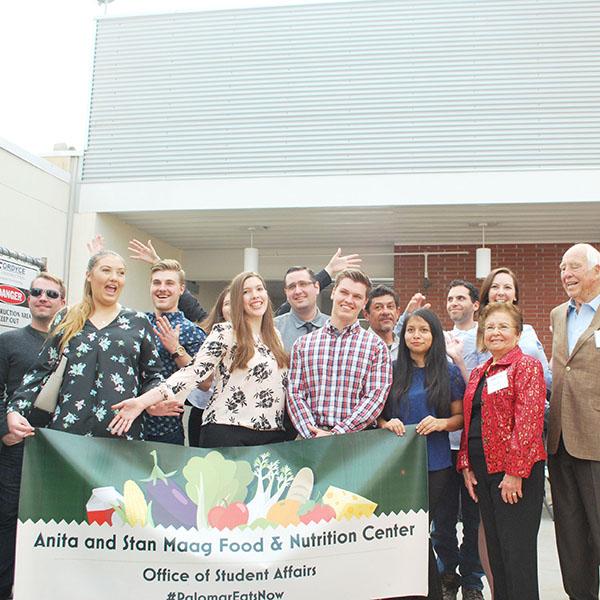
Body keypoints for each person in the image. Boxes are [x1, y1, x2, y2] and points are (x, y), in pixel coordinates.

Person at [110, 272, 290, 448]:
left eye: (259, 289)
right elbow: (192, 372)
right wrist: (142, 402)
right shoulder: (226, 332)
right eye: (246, 291)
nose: (255, 295)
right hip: (228, 431)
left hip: (270, 435)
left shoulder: (275, 335)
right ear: (237, 300)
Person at [6, 251, 166, 442]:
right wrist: (15, 410)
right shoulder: (66, 317)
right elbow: (40, 371)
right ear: (89, 275)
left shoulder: (138, 322)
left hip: (122, 436)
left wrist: (150, 401)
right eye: (106, 270)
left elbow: (153, 376)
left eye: (120, 273)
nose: (114, 278)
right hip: (68, 435)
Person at [458, 302, 546, 600]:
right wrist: (467, 464)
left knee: (516, 555)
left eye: (503, 326)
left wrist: (515, 473)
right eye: (490, 327)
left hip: (515, 475)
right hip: (483, 473)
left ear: (518, 334)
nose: (495, 332)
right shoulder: (480, 371)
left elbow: (529, 422)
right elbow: (471, 421)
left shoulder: (526, 367)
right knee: (496, 554)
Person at [379, 308, 465, 600]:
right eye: (411, 330)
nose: (416, 336)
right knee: (401, 530)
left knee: (420, 530)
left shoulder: (448, 371)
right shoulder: (391, 370)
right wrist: (386, 423)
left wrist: (441, 423)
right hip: (398, 464)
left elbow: (461, 417)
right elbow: (376, 415)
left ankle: (430, 592)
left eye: (423, 330)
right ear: (403, 337)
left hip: (436, 463)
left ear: (435, 335)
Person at [0, 272, 66, 600]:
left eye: (51, 294)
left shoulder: (73, 345)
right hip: (13, 450)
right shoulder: (8, 342)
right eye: (36, 292)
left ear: (62, 303)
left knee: (52, 521)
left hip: (58, 453)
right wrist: (3, 431)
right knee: (8, 519)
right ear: (28, 298)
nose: (42, 297)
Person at [547, 243, 600, 600]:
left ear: (597, 271)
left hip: (596, 440)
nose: (566, 274)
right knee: (570, 533)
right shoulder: (556, 315)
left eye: (575, 267)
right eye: (563, 268)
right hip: (560, 440)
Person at [286, 269, 392, 439]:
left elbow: (374, 398)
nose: (349, 300)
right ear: (333, 292)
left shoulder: (376, 347)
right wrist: (313, 434)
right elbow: (294, 394)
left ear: (365, 302)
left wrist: (336, 434)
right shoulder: (303, 345)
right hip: (309, 440)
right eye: (344, 292)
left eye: (357, 296)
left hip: (355, 442)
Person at [432, 280, 486, 600]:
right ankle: (447, 575)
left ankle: (472, 581)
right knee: (443, 519)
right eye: (450, 298)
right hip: (443, 443)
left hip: (473, 444)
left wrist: (459, 360)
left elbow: (479, 393)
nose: (454, 303)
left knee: (474, 520)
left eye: (461, 298)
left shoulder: (483, 338)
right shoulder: (438, 338)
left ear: (475, 304)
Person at [145, 259, 206, 445]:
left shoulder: (192, 331)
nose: (162, 288)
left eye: (169, 283)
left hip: (165, 431)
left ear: (181, 289)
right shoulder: (136, 323)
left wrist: (176, 349)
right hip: (129, 425)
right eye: (157, 282)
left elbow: (205, 382)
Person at [479, 267, 551, 388]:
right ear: (487, 293)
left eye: (507, 287)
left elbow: (546, 377)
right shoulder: (476, 335)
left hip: (534, 399)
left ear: (515, 295)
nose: (501, 292)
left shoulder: (528, 331)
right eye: (495, 287)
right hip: (494, 402)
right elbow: (472, 384)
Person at [187, 286, 231, 447]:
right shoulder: (210, 337)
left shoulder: (264, 339)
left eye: (236, 303)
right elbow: (196, 374)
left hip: (240, 420)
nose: (232, 308)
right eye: (227, 304)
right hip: (204, 413)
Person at [274, 266, 329, 351]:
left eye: (303, 284)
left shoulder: (334, 327)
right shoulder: (273, 329)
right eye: (292, 287)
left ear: (317, 287)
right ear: (286, 293)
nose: (298, 291)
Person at [363, 285, 402, 360]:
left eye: (390, 306)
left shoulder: (406, 348)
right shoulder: (359, 347)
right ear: (366, 315)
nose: (386, 312)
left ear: (397, 313)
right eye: (378, 307)